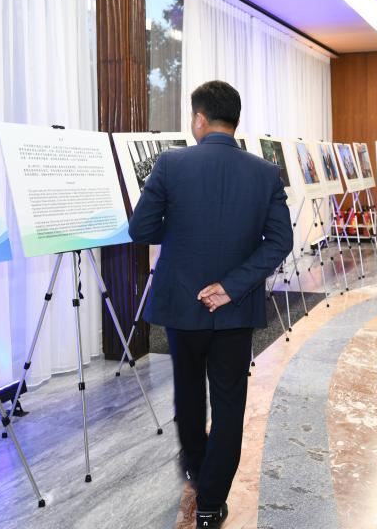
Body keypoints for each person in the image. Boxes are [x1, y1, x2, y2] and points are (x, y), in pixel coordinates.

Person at [128, 80, 293, 529]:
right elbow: (280, 241)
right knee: (229, 402)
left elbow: (141, 229)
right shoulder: (265, 173)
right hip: (234, 308)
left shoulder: (171, 163)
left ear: (199, 119)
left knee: (187, 390)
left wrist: (181, 228)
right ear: (233, 121)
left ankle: (195, 469)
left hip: (183, 304)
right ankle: (210, 505)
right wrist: (231, 286)